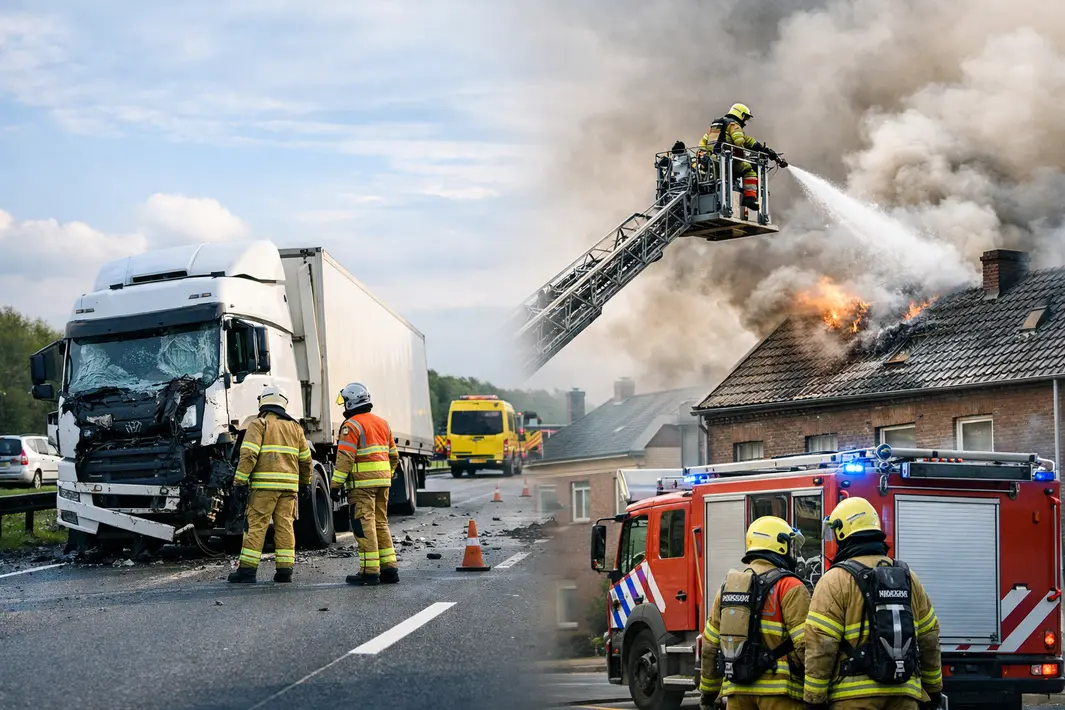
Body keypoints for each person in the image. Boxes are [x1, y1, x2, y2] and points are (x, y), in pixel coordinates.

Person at [803, 497, 942, 710]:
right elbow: (929, 636)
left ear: (841, 533)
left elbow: (821, 644)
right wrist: (933, 689)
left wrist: (814, 699)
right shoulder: (908, 577)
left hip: (852, 700)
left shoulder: (835, 580)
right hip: (904, 695)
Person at [699, 516, 811, 710]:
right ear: (780, 546)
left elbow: (709, 646)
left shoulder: (728, 588)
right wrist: (817, 692)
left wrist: (708, 694)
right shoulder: (790, 586)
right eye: (790, 545)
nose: (793, 553)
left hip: (737, 693)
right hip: (780, 695)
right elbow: (806, 646)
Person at [228, 384, 313, 584]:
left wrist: (239, 481)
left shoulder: (259, 424)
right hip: (289, 489)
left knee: (256, 526)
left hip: (264, 488)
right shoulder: (295, 428)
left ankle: (247, 572)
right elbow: (306, 460)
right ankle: (285, 571)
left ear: (262, 402)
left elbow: (248, 454)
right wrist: (305, 483)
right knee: (285, 526)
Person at [330, 382, 400, 586]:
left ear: (351, 402)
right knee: (381, 523)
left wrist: (335, 485)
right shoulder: (382, 423)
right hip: (382, 484)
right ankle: (389, 569)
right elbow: (393, 456)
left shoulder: (351, 426)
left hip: (362, 486)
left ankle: (370, 571)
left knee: (364, 524)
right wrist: (386, 475)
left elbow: (345, 458)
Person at [698, 103, 786, 210]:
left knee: (717, 179)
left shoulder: (715, 127)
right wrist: (746, 155)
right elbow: (739, 141)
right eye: (745, 118)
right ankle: (749, 198)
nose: (745, 122)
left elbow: (702, 145)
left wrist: (764, 149)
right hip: (727, 162)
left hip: (712, 163)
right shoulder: (734, 125)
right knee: (749, 170)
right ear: (741, 115)